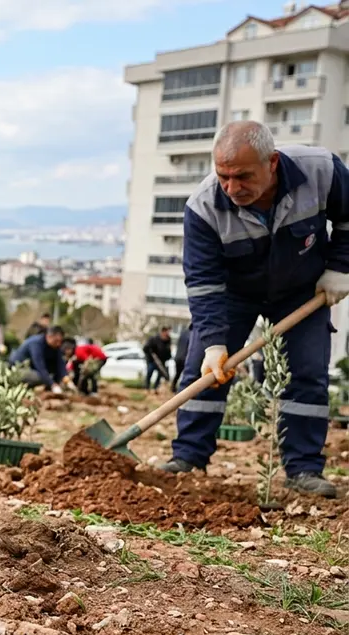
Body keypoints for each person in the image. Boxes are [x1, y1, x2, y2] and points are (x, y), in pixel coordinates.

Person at [166, 120, 349, 498]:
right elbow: (203, 282)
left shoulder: (322, 171)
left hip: (304, 289)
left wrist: (340, 267)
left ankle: (303, 469)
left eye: (243, 177)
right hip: (234, 295)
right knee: (204, 368)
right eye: (224, 177)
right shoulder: (203, 208)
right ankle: (188, 459)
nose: (232, 189)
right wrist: (215, 342)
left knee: (308, 375)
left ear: (273, 163)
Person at [9, 325, 68, 392]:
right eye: (56, 341)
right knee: (40, 377)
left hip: (32, 368)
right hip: (18, 369)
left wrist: (66, 377)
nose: (58, 344)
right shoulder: (36, 343)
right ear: (49, 336)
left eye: (60, 341)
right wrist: (52, 384)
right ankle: (24, 387)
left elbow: (60, 363)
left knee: (53, 372)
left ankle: (48, 387)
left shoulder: (54, 346)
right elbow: (40, 366)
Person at [143, 326, 172, 391]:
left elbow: (168, 351)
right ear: (163, 332)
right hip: (152, 360)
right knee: (149, 372)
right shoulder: (154, 339)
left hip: (161, 361)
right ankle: (147, 387)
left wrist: (168, 356)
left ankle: (155, 388)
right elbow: (145, 348)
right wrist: (151, 355)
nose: (167, 334)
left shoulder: (168, 340)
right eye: (166, 332)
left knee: (160, 375)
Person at [171, 323, 191, 392]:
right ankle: (181, 391)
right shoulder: (191, 335)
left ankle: (173, 388)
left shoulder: (183, 333)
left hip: (178, 357)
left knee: (177, 374)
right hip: (185, 358)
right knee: (186, 375)